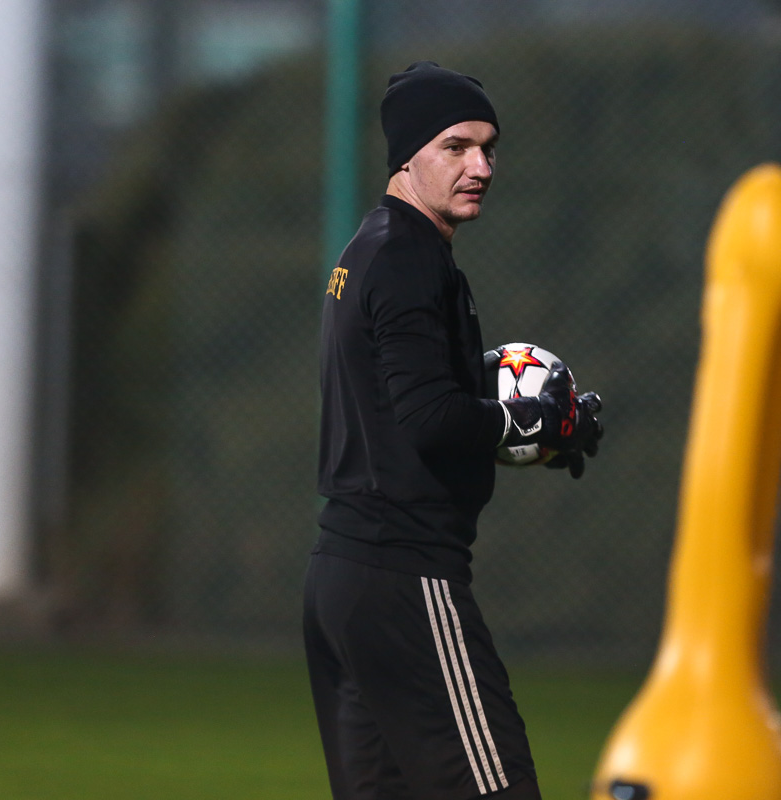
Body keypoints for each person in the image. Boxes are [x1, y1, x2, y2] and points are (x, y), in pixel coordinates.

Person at [304, 61, 604, 800]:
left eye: (489, 148)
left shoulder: (369, 248)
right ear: (407, 154)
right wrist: (532, 417)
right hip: (404, 580)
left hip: (342, 579)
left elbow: (406, 420)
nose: (481, 168)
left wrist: (533, 435)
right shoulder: (409, 259)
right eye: (456, 146)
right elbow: (431, 417)